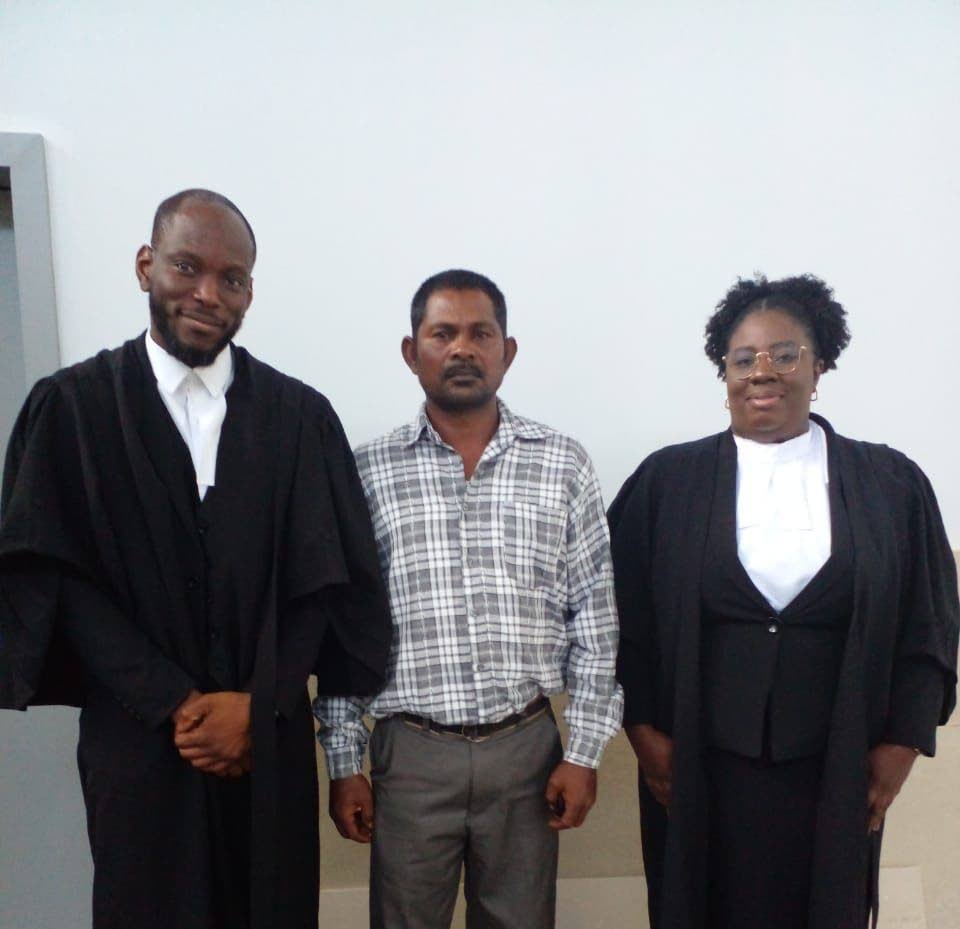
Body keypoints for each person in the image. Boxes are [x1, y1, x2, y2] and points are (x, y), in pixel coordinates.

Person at [0, 189, 392, 929]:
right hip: (139, 741)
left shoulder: (298, 418)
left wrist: (260, 703)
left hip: (267, 740)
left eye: (232, 277)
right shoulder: (74, 411)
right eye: (187, 266)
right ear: (146, 265)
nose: (208, 293)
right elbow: (60, 580)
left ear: (250, 291)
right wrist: (175, 704)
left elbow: (323, 583)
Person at [608, 273, 959, 929]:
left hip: (838, 767)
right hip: (697, 767)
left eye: (785, 353)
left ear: (819, 363)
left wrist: (901, 748)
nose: (761, 372)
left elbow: (929, 624)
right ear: (724, 373)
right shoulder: (667, 482)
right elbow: (620, 617)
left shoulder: (890, 484)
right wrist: (645, 732)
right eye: (743, 359)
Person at [313, 268, 624, 929]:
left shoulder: (561, 462)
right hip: (410, 754)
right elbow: (344, 629)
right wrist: (344, 759)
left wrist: (584, 749)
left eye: (481, 333)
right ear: (411, 351)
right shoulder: (365, 471)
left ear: (507, 352)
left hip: (527, 752)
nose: (462, 348)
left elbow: (595, 613)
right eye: (442, 333)